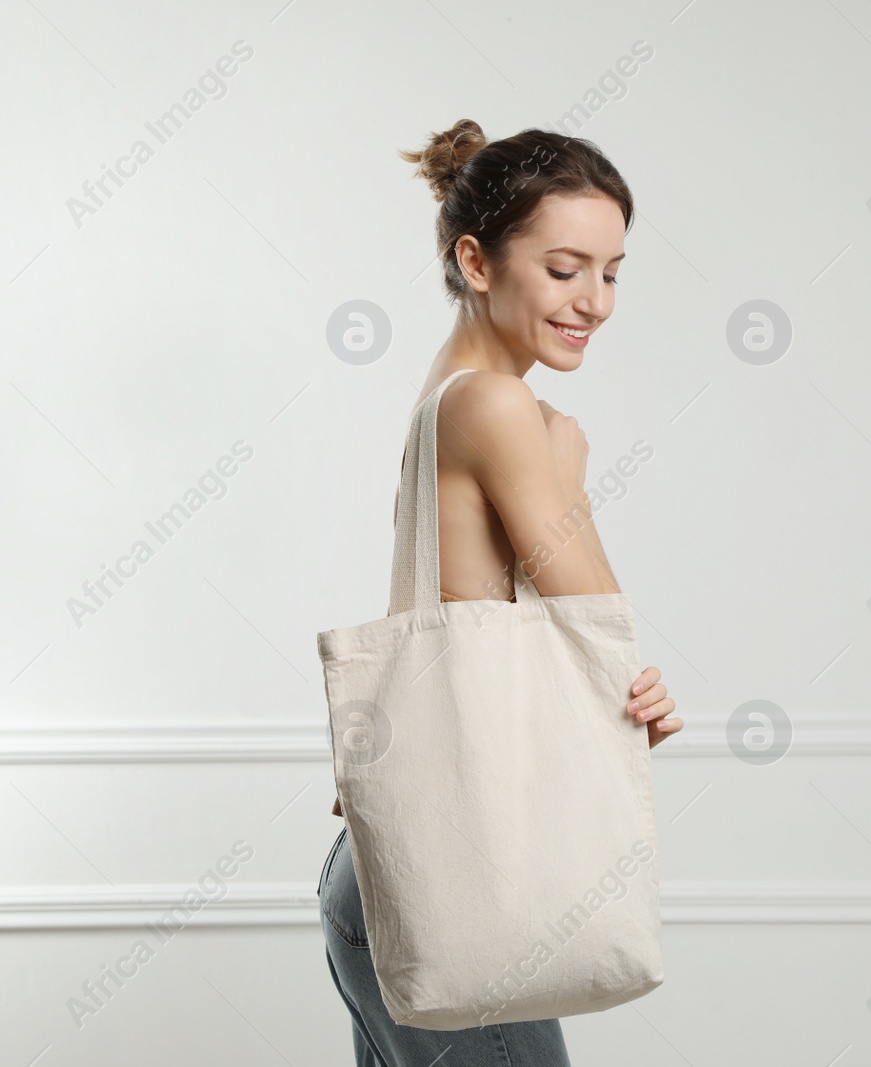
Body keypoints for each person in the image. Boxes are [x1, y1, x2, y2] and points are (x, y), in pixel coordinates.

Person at [317, 119, 682, 1066]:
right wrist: (567, 469)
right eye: (565, 269)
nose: (594, 301)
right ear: (475, 262)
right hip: (465, 872)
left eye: (612, 271)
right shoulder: (499, 406)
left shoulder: (447, 393)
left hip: (388, 867)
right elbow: (598, 629)